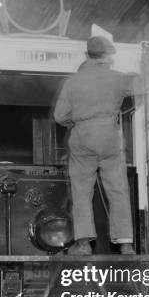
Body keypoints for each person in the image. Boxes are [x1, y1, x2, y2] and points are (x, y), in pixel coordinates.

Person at [54, 36, 140, 255]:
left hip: (82, 135)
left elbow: (59, 116)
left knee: (82, 190)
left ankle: (83, 243)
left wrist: (76, 122)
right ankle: (126, 243)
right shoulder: (117, 78)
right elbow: (141, 87)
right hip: (109, 134)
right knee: (118, 189)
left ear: (87, 55)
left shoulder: (72, 82)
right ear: (108, 56)